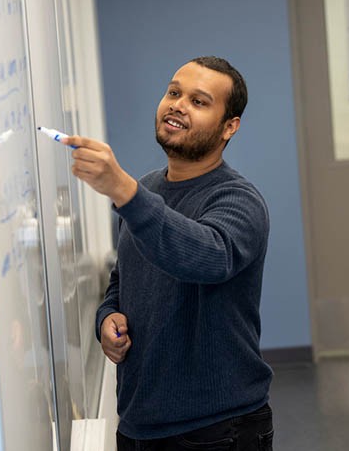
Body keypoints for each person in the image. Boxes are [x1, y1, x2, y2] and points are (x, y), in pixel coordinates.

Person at [63, 56, 274, 450]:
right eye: (174, 92)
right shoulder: (144, 193)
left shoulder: (239, 200)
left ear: (230, 127)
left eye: (199, 101)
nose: (177, 105)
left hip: (218, 430)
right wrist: (107, 318)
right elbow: (122, 281)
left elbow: (206, 258)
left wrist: (124, 192)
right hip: (139, 424)